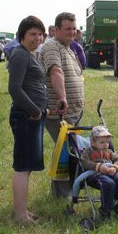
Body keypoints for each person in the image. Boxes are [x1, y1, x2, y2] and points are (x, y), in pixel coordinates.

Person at [8, 16, 48, 224]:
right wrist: (34, 110)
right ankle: (20, 215)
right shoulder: (20, 55)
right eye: (33, 34)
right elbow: (14, 88)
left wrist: (43, 108)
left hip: (33, 116)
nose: (37, 38)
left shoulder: (30, 55)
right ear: (22, 35)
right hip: (25, 116)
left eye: (40, 34)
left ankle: (22, 209)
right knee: (22, 167)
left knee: (28, 166)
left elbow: (34, 86)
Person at [41, 12, 85, 197]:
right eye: (67, 29)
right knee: (64, 152)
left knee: (68, 150)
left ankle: (65, 191)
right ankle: (61, 194)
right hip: (60, 112)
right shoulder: (52, 46)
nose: (72, 32)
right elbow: (55, 72)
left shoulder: (68, 47)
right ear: (56, 29)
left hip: (72, 111)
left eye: (74, 28)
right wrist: (63, 98)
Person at [80, 125, 118, 221]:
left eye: (107, 142)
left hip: (110, 172)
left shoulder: (109, 152)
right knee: (109, 183)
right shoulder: (88, 152)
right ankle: (105, 210)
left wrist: (115, 167)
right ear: (92, 142)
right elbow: (84, 162)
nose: (106, 144)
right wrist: (99, 167)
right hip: (95, 175)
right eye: (102, 142)